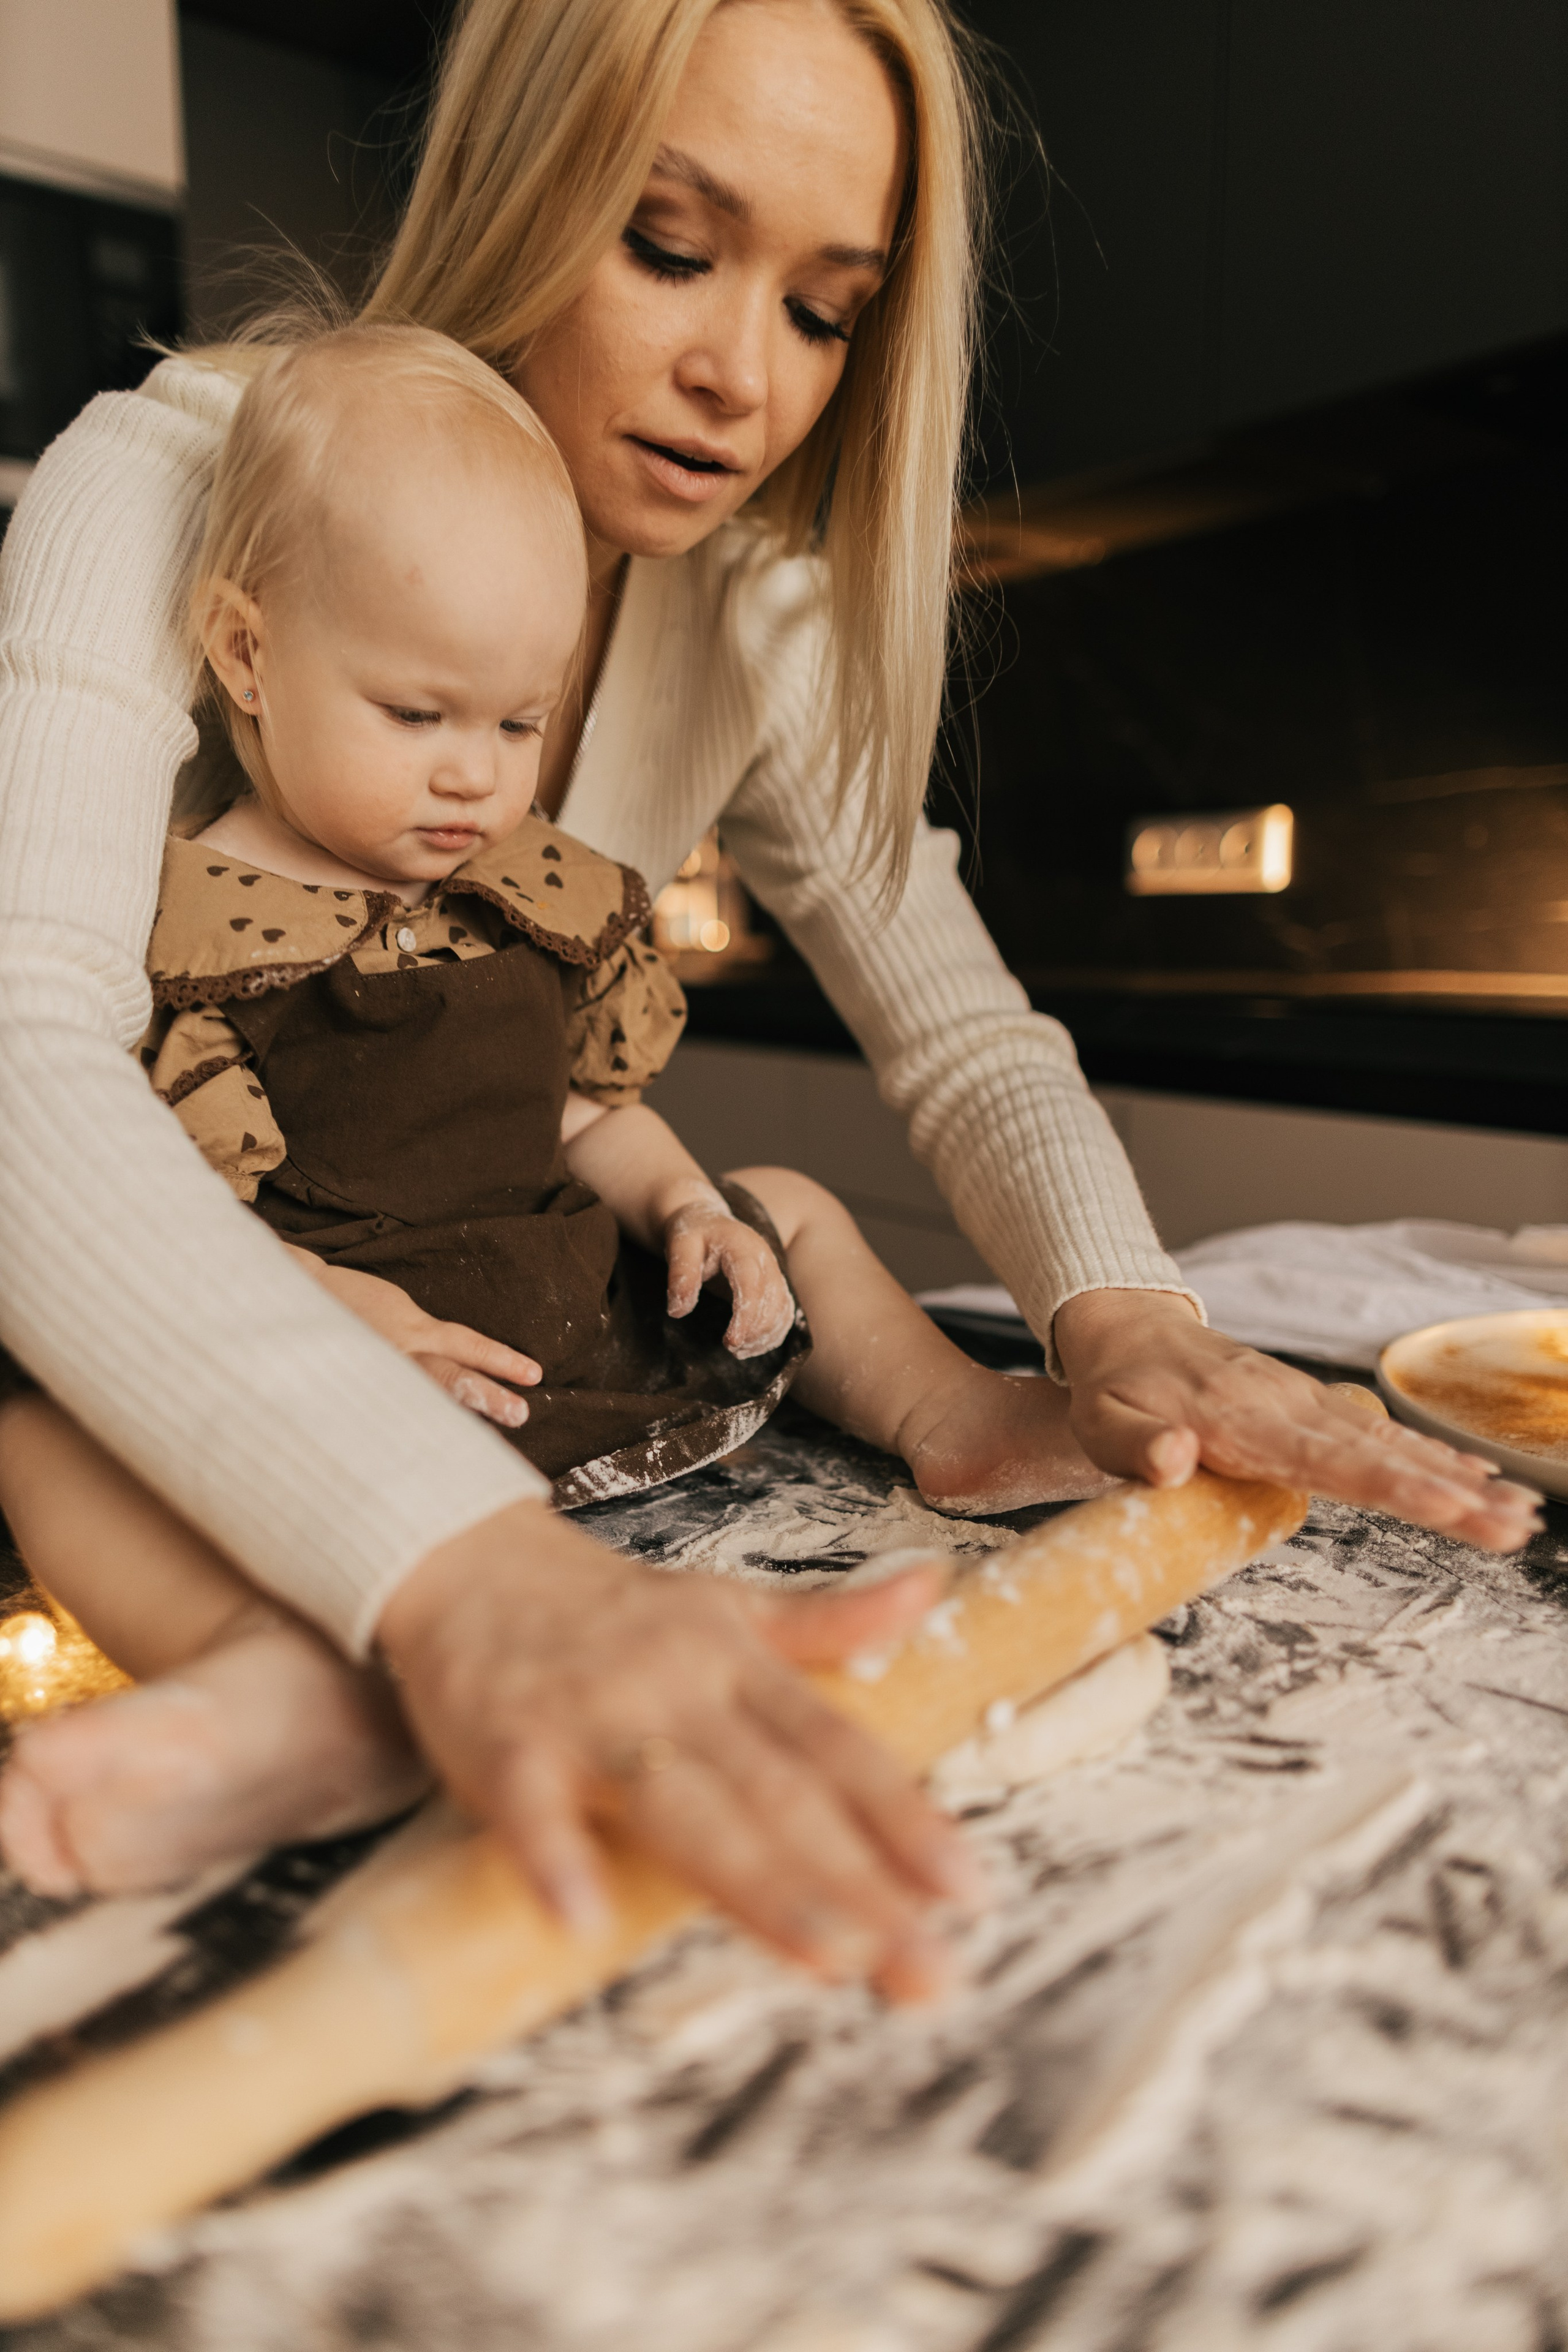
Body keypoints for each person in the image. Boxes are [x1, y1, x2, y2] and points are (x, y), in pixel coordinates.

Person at [0, 0, 1537, 1999]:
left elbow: (962, 1033)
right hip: (202, 1336)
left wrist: (1129, 1320)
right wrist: (468, 1583)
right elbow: (24, 1046)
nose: (745, 376)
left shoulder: (757, 605)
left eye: (826, 311)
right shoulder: (179, 476)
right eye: (668, 246)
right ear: (521, 183)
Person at [1, 323, 1120, 1904]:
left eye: (518, 726)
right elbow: (161, 1217)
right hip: (340, 1350)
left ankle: (953, 1415)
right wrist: (319, 1305)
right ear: (247, 656)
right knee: (38, 1415)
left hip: (551, 1300)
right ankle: (284, 1680)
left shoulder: (531, 894)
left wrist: (689, 1208)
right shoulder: (191, 931)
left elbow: (596, 1115)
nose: (476, 778)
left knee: (787, 1199)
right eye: (418, 716)